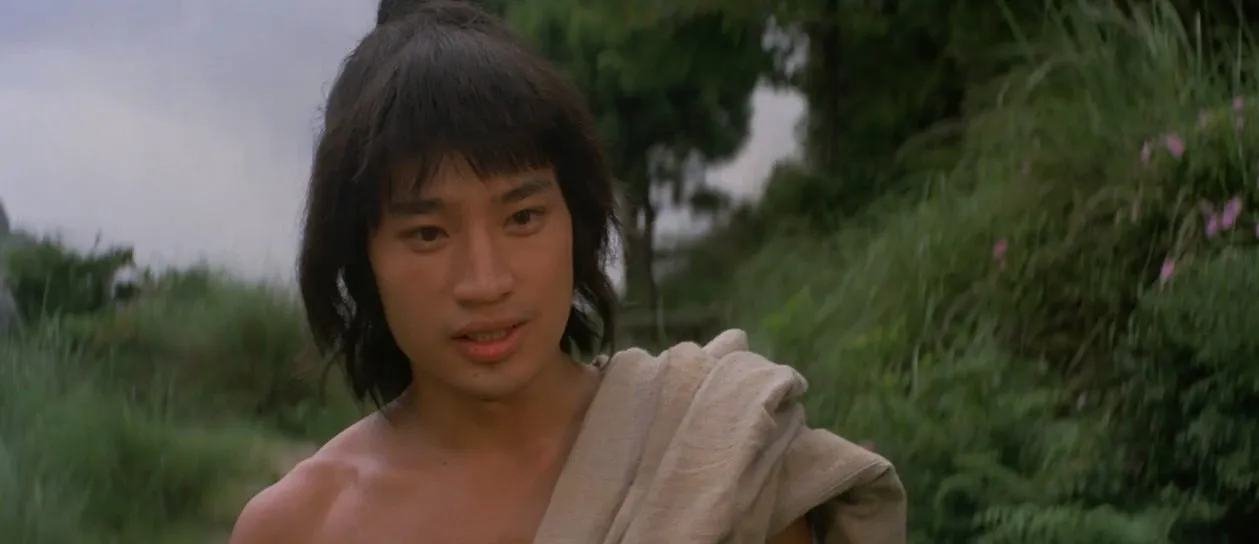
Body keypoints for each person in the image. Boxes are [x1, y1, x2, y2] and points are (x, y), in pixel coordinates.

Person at [230, 1, 906, 543]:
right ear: (361, 257)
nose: (486, 281)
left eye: (523, 217)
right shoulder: (299, 527)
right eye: (429, 233)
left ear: (576, 223)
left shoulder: (713, 453)